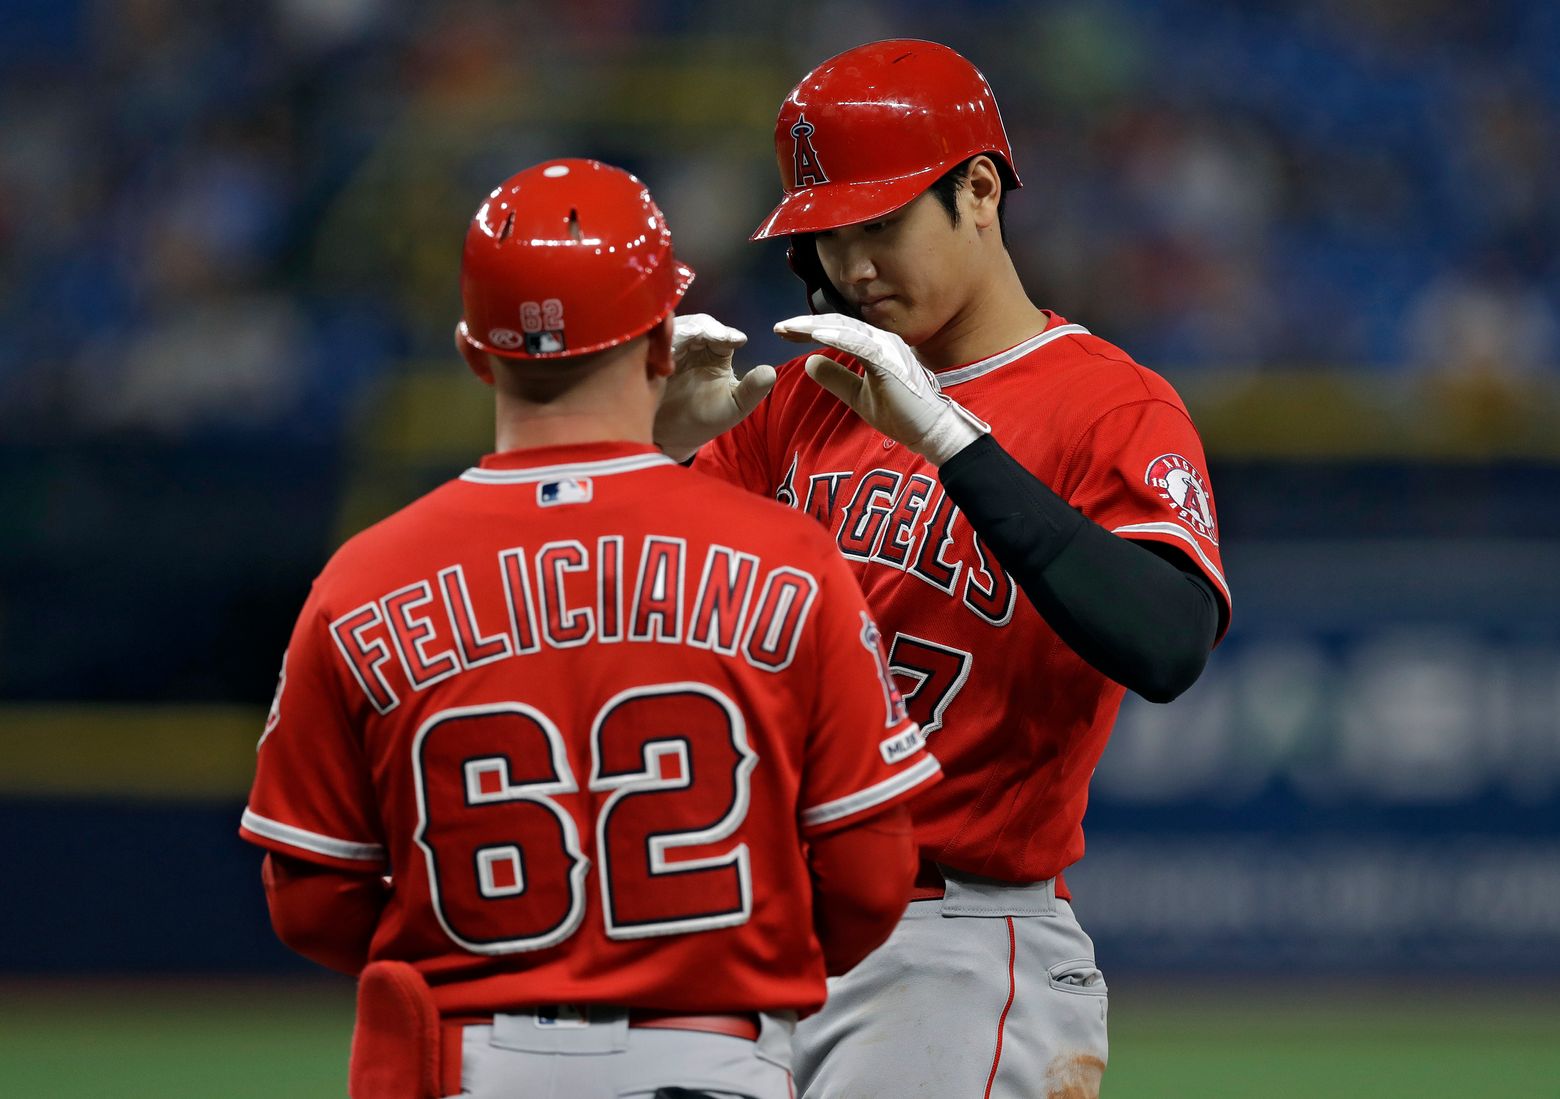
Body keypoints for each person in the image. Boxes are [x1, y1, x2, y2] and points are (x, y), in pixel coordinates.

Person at [239, 158, 940, 1099]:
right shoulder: (789, 559)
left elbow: (311, 901)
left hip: (468, 1063)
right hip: (708, 1060)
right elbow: (869, 878)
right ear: (664, 343)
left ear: (472, 351)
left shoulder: (361, 579)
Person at [656, 40, 1232, 1099]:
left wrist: (958, 448)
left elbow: (1168, 639)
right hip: (752, 921)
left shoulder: (1110, 403)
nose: (851, 267)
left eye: (879, 224)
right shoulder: (801, 396)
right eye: (827, 237)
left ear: (977, 190)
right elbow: (644, 642)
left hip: (953, 942)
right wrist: (641, 459)